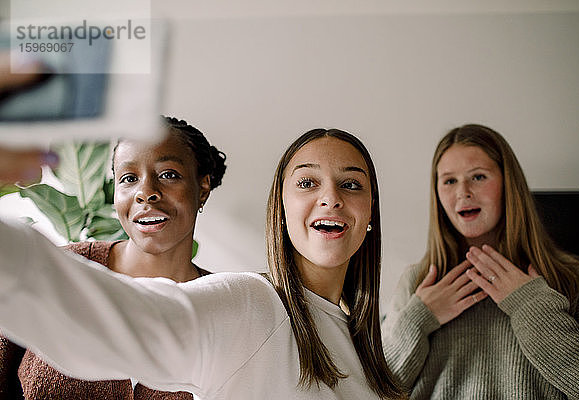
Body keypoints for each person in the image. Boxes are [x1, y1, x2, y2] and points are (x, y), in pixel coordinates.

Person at [0, 128, 406, 399]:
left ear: (370, 212)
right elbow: (99, 321)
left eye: (351, 184)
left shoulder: (364, 355)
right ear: (280, 210)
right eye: (307, 182)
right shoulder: (250, 305)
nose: (331, 198)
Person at [0, 116, 227, 399]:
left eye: (168, 174)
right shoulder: (58, 269)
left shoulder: (226, 306)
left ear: (202, 188)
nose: (146, 193)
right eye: (129, 178)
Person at [381, 124, 579, 399]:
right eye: (449, 181)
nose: (463, 192)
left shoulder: (569, 278)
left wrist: (530, 307)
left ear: (509, 184)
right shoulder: (417, 281)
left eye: (479, 177)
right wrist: (418, 320)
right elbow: (374, 390)